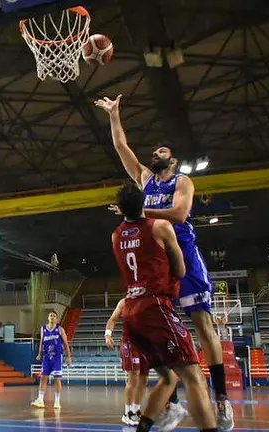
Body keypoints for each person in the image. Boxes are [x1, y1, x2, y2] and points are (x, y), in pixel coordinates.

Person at [96, 94, 233, 431]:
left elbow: (180, 214)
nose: (153, 154)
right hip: (158, 265)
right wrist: (114, 115)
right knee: (160, 332)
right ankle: (171, 404)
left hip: (184, 255)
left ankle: (221, 399)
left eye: (160, 151)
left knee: (202, 326)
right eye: (154, 151)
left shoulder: (181, 181)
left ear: (173, 159)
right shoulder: (144, 179)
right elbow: (121, 148)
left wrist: (141, 213)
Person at [110, 182, 217, 432]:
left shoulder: (115, 235)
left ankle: (145, 426)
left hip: (131, 312)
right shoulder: (160, 226)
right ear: (145, 204)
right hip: (155, 306)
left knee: (169, 377)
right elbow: (181, 270)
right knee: (194, 377)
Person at [106, 298, 151, 426]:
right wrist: (108, 334)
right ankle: (127, 413)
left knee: (144, 379)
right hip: (129, 343)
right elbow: (113, 319)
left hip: (145, 344)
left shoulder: (149, 301)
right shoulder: (124, 302)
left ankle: (136, 410)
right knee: (134, 377)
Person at [31, 311, 72, 409]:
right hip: (46, 357)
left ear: (57, 319)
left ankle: (57, 401)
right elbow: (41, 342)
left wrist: (68, 356)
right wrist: (39, 353)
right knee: (43, 378)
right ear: (48, 318)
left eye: (54, 316)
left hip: (57, 356)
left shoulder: (60, 329)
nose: (52, 317)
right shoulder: (43, 329)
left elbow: (66, 343)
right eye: (51, 316)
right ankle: (40, 400)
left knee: (57, 379)